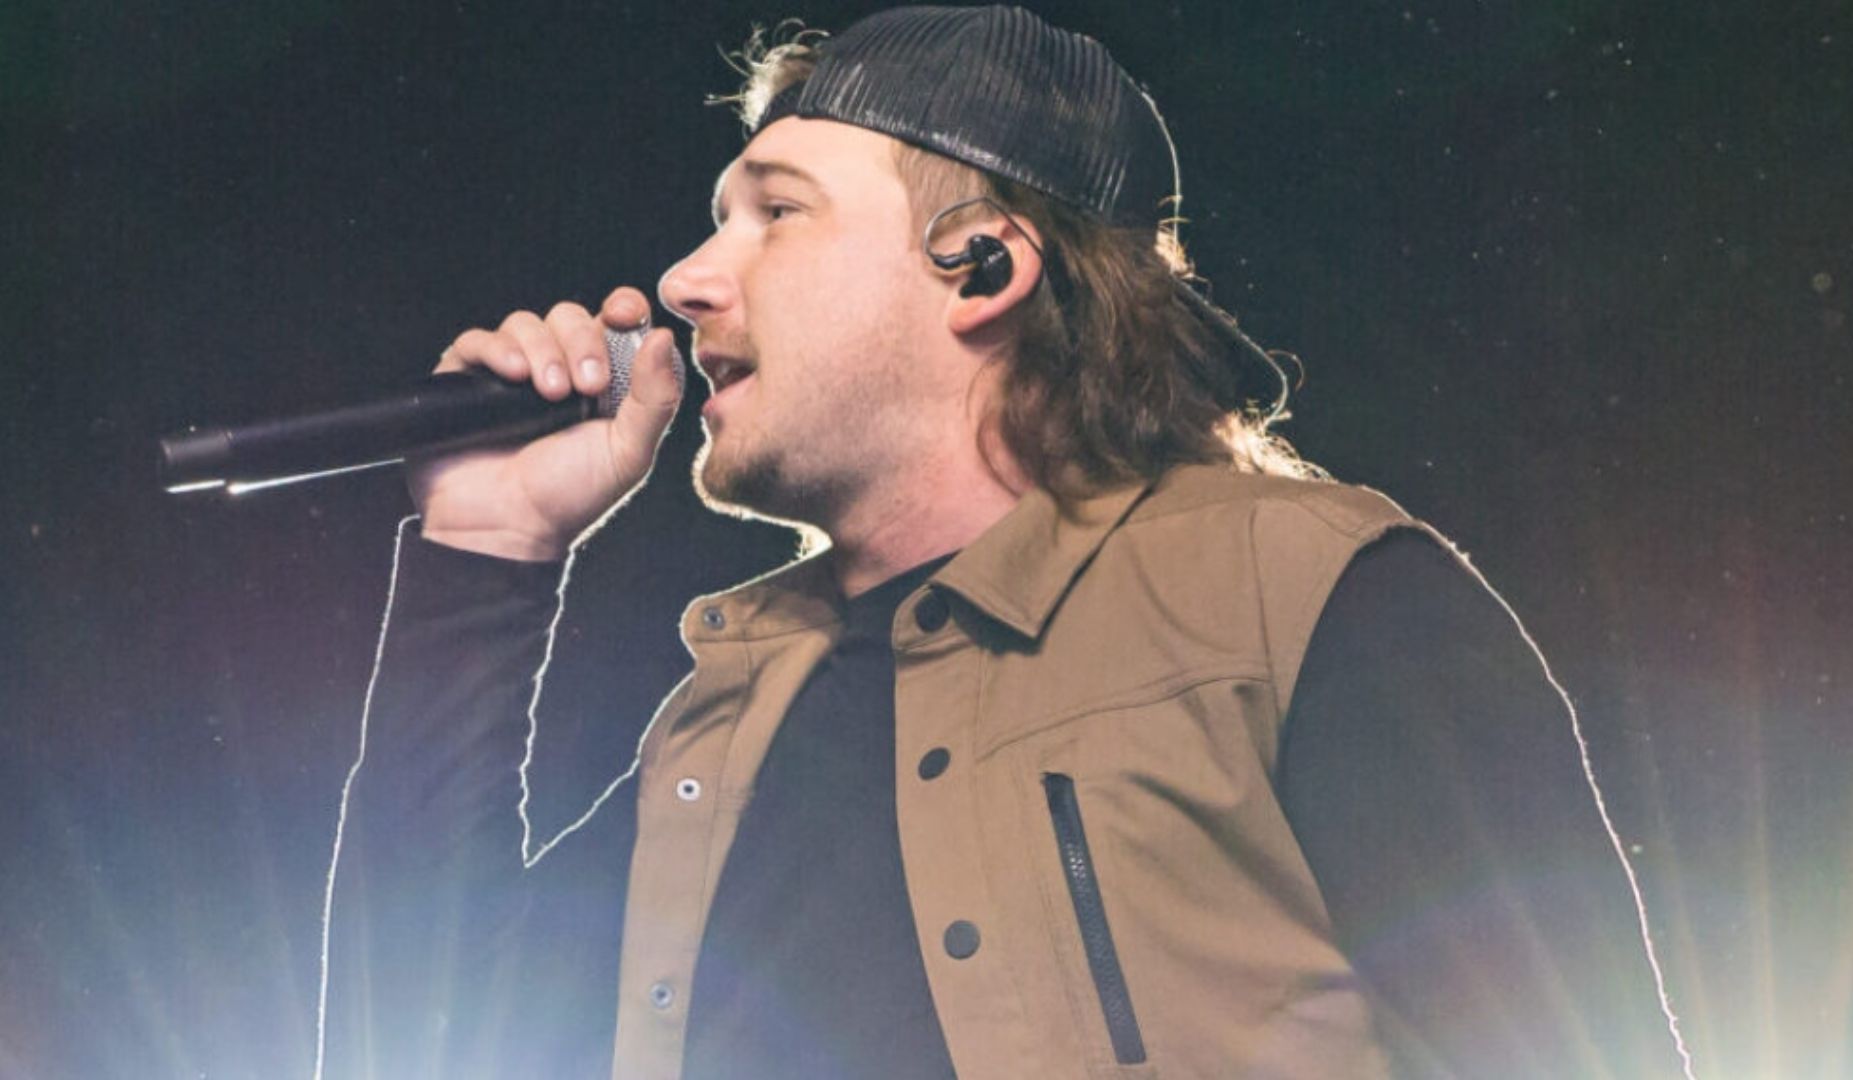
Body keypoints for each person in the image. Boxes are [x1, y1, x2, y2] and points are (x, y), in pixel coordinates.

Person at [320, 7, 1690, 1078]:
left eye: (774, 211)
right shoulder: (733, 713)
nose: (685, 281)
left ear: (985, 262)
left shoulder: (1308, 601)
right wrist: (482, 550)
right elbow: (417, 1046)